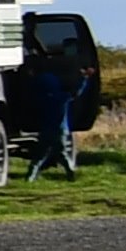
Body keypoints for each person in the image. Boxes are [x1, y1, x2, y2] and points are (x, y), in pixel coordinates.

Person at [22, 10, 103, 176]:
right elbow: (77, 92)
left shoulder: (43, 99)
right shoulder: (63, 98)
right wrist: (85, 78)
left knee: (40, 157)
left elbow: (31, 91)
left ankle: (32, 176)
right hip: (61, 132)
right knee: (63, 155)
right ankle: (70, 175)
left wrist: (30, 76)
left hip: (46, 131)